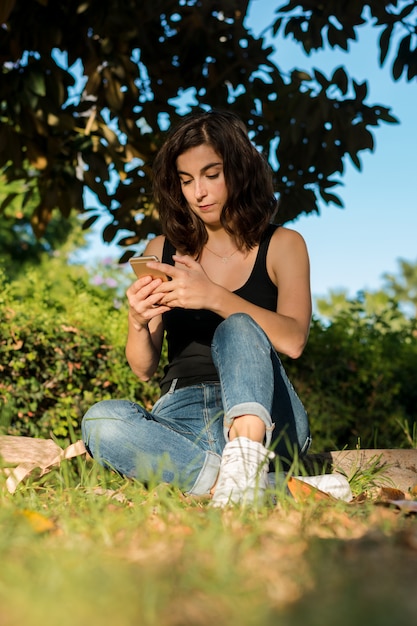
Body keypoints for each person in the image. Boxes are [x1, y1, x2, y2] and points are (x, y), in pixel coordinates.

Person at [82, 109, 312, 508]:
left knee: (238, 325)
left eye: (211, 174)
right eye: (186, 180)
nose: (198, 192)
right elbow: (143, 368)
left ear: (240, 171)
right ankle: (247, 486)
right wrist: (138, 321)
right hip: (182, 416)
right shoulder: (161, 251)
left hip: (268, 417)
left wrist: (213, 297)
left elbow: (293, 341)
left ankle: (239, 461)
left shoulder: (284, 244)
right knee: (102, 421)